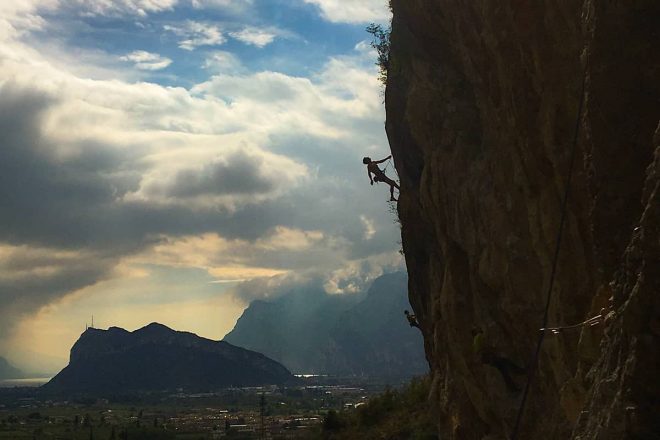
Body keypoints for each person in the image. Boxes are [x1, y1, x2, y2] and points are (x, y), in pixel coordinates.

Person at [472, 327, 526, 392]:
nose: (480, 329)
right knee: (505, 365)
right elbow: (486, 346)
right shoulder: (479, 337)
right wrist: (494, 350)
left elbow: (480, 351)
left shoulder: (475, 341)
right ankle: (520, 372)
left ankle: (513, 387)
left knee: (504, 370)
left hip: (487, 359)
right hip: (489, 357)